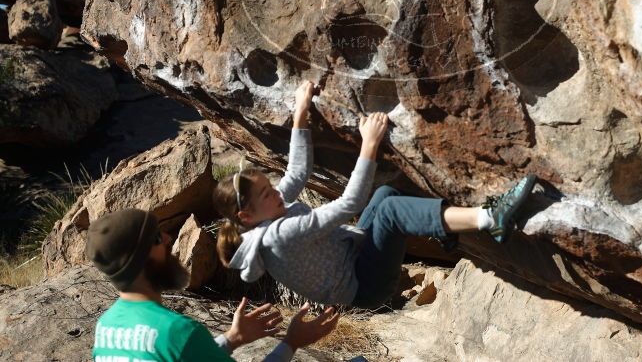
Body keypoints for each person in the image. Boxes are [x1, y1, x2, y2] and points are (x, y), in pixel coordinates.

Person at [213, 80, 537, 309]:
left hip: (356, 254)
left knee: (384, 193)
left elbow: (297, 173)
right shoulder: (278, 236)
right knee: (390, 211)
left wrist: (300, 112)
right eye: (266, 194)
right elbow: (349, 204)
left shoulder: (269, 210)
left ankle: (447, 230)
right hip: (365, 285)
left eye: (270, 188)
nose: (276, 193)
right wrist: (368, 144)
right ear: (246, 216)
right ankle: (490, 217)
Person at [86, 207, 339, 362]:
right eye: (155, 238)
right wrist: (291, 342)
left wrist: (231, 339)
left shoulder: (106, 328)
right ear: (141, 260)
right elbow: (177, 347)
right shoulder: (177, 332)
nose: (167, 238)